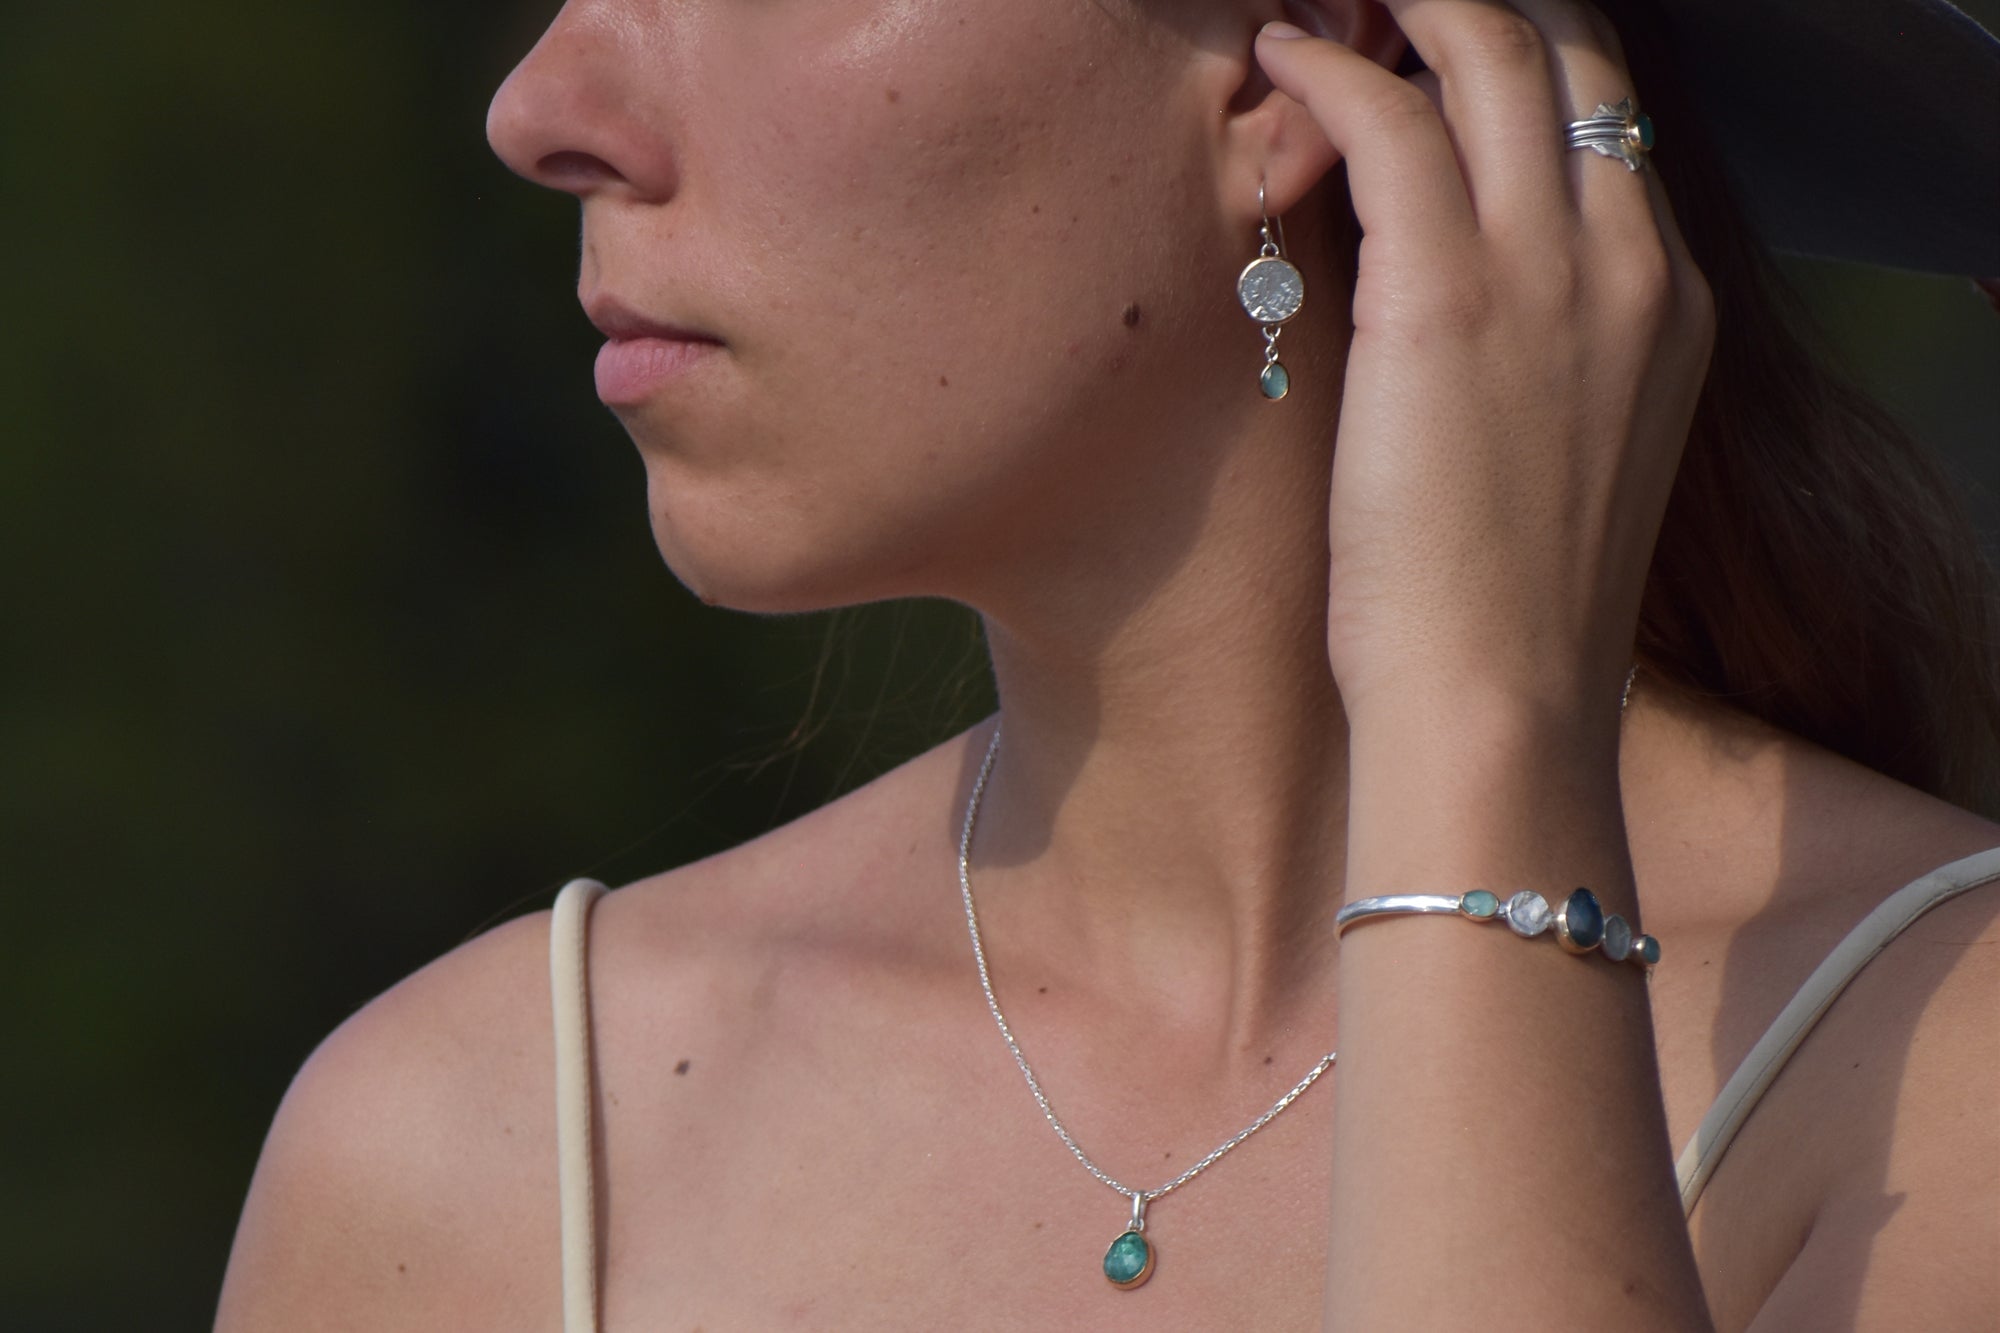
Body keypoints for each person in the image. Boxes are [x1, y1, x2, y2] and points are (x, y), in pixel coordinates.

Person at [216, 0, 2000, 1327]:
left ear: (1287, 62)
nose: (542, 109)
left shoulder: (1942, 1088)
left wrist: (1477, 735)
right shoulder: (475, 1155)